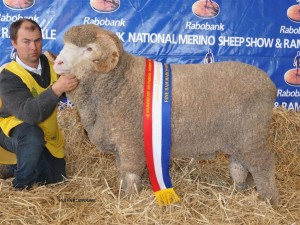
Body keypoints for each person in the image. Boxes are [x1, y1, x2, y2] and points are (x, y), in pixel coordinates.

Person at [0, 19, 78, 189]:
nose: (33, 47)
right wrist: (56, 89)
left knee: (55, 179)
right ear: (14, 43)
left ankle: (13, 167)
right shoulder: (8, 75)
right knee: (31, 136)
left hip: (46, 135)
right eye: (26, 42)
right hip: (10, 132)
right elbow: (30, 114)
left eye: (37, 40)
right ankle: (21, 186)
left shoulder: (54, 67)